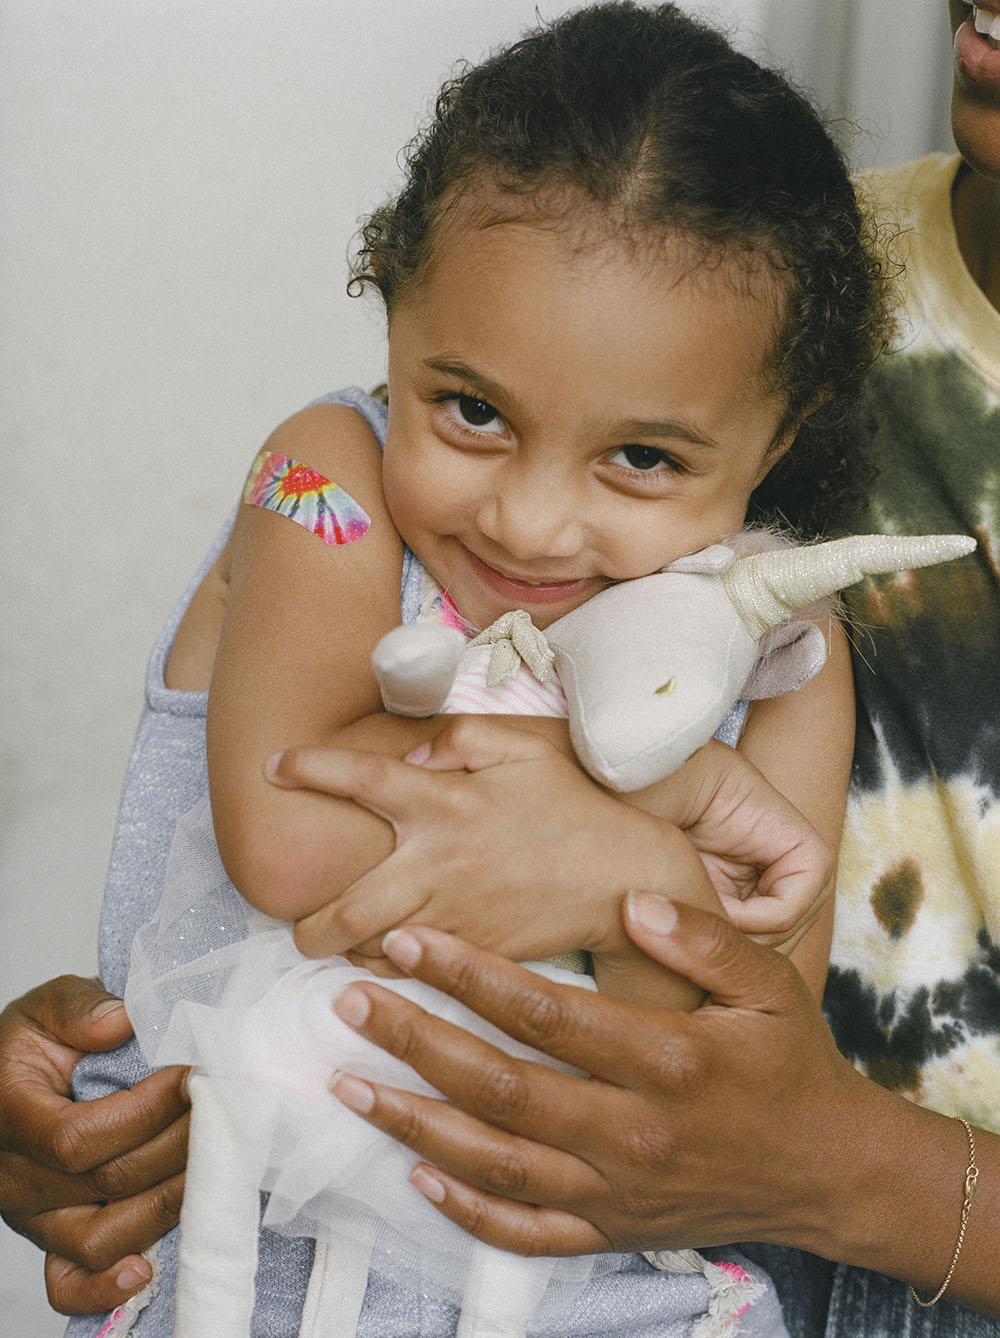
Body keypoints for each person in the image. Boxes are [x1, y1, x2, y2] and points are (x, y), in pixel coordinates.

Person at [251, 1, 1000, 1332]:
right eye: (472, 410)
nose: (533, 524)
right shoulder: (324, 482)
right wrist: (660, 837)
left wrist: (621, 866)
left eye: (642, 458)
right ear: (390, 296)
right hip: (277, 1250)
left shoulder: (782, 649)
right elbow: (281, 838)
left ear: (782, 437)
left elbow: (727, 1053)